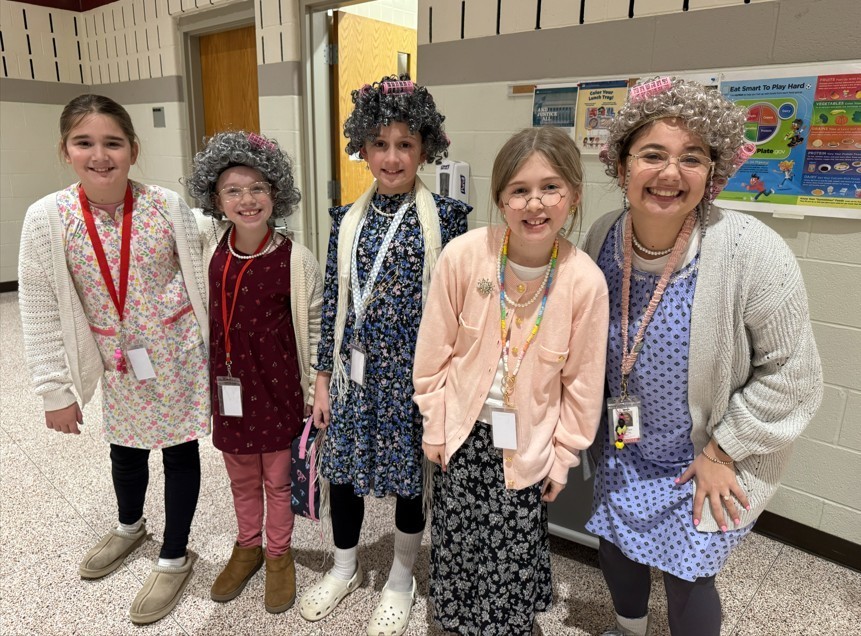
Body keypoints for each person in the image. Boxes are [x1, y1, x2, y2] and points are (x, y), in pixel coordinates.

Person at [583, 77, 823, 636]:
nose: (670, 174)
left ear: (712, 172)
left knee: (689, 573)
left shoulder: (750, 250)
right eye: (652, 155)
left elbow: (794, 374)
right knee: (616, 550)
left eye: (692, 158)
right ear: (621, 166)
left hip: (708, 453)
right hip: (622, 444)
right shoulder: (602, 237)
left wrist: (724, 450)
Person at [18, 94, 210, 625]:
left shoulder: (165, 206)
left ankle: (175, 554)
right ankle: (131, 527)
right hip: (117, 359)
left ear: (133, 149)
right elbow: (38, 310)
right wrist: (55, 391)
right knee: (124, 448)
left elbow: (202, 254)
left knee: (178, 451)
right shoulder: (47, 219)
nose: (100, 155)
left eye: (113, 143)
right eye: (85, 143)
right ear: (65, 150)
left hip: (176, 353)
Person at [413, 126, 609, 635]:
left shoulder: (583, 280)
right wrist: (434, 426)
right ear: (500, 197)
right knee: (457, 542)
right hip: (461, 436)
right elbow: (432, 354)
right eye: (519, 190)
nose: (534, 203)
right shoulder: (464, 255)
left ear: (574, 195)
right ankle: (456, 622)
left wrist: (565, 457)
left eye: (550, 187)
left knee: (512, 547)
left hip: (529, 444)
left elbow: (583, 385)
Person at [297, 74, 470, 636]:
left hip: (412, 380)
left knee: (408, 482)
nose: (392, 157)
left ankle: (401, 578)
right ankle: (344, 566)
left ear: (425, 149)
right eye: (380, 144)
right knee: (342, 473)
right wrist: (321, 379)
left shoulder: (448, 218)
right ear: (363, 148)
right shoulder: (345, 220)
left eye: (405, 145)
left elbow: (460, 311)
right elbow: (331, 302)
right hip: (351, 377)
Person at [186, 131, 323, 613]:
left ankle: (280, 555)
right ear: (216, 200)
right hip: (229, 393)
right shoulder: (208, 251)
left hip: (278, 391)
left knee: (278, 482)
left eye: (258, 188)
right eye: (233, 190)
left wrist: (314, 391)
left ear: (276, 193)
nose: (247, 200)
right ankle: (248, 547)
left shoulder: (296, 259)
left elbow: (313, 330)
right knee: (241, 480)